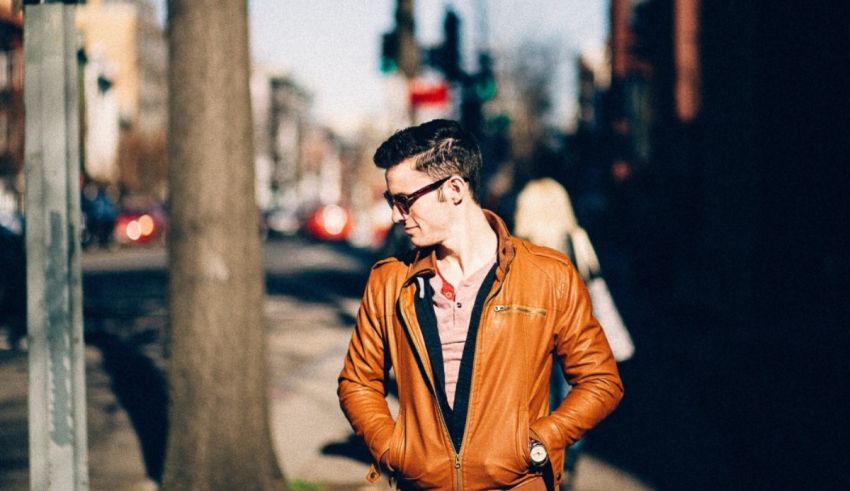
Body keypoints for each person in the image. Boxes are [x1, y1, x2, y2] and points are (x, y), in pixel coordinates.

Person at [338, 119, 623, 489]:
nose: (396, 215)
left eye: (404, 201)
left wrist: (541, 441)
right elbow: (357, 381)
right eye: (392, 201)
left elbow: (600, 380)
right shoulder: (390, 281)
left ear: (454, 189)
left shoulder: (546, 275)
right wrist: (393, 448)